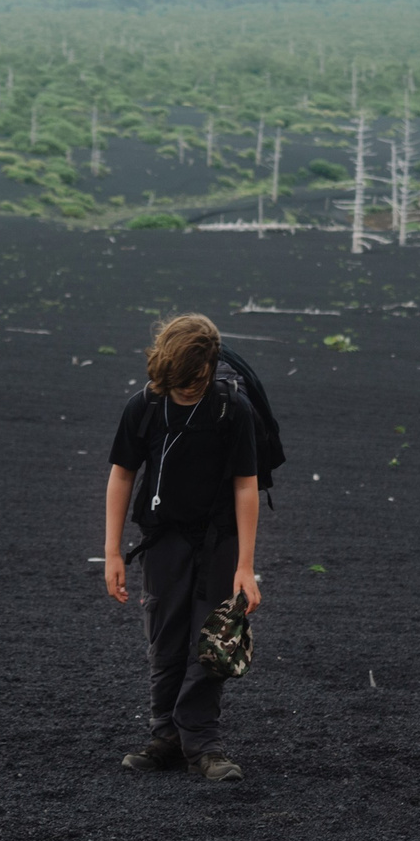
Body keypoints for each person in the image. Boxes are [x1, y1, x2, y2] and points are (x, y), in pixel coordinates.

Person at [102, 313, 262, 780]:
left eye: (197, 381)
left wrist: (246, 566)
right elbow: (122, 476)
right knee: (165, 636)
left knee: (213, 641)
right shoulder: (144, 406)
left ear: (212, 366)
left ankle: (203, 744)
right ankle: (165, 737)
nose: (189, 389)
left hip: (220, 542)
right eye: (179, 383)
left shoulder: (233, 410)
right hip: (163, 540)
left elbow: (247, 487)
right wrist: (113, 552)